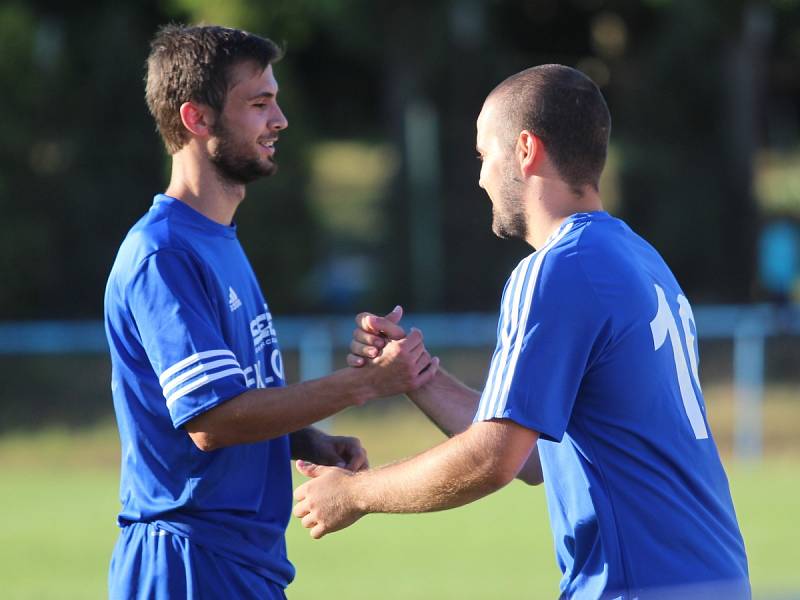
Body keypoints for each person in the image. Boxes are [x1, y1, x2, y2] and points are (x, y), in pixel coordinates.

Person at [293, 65, 751, 599]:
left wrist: (356, 495)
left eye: (485, 154)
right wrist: (417, 377)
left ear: (526, 149)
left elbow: (494, 457)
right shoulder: (637, 257)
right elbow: (533, 457)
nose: (481, 176)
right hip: (710, 578)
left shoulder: (557, 267)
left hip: (640, 585)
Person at [104, 24, 436, 599]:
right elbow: (212, 421)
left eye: (276, 101)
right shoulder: (162, 253)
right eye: (259, 104)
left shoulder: (218, 239)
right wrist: (364, 385)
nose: (279, 120)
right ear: (197, 119)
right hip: (188, 565)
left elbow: (238, 398)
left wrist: (306, 441)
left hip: (242, 563)